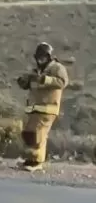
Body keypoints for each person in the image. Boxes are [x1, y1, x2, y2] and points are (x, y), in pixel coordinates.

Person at [16, 42, 69, 172]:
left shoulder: (57, 68)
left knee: (37, 134)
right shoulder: (36, 71)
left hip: (48, 108)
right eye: (38, 57)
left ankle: (36, 162)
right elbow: (29, 84)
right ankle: (31, 159)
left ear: (49, 56)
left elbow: (63, 82)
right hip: (35, 108)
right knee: (30, 133)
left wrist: (45, 79)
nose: (40, 60)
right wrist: (24, 81)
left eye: (43, 57)